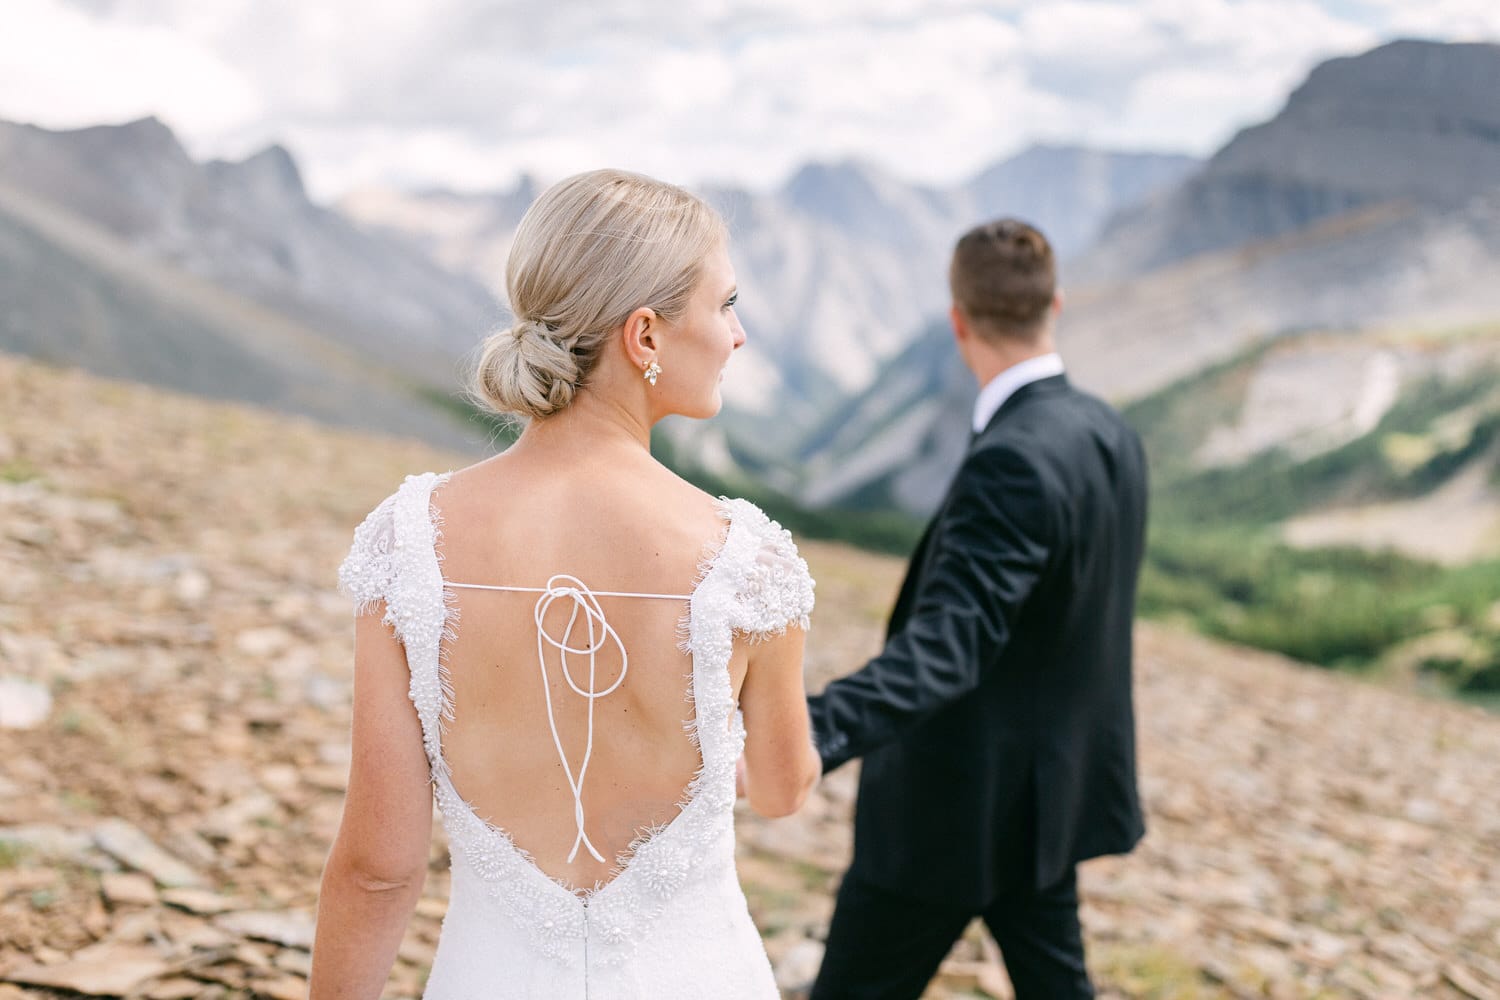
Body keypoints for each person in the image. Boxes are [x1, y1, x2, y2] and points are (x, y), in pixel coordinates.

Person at [310, 169, 820, 999]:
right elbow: (780, 787)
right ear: (645, 335)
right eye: (725, 305)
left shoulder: (409, 544)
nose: (738, 335)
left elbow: (376, 867)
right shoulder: (747, 561)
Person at [806, 219, 1148, 999]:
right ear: (1055, 304)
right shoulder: (1110, 431)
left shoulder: (1011, 458)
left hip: (949, 815)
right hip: (1049, 804)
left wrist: (815, 727)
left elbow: (950, 644)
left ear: (957, 318)